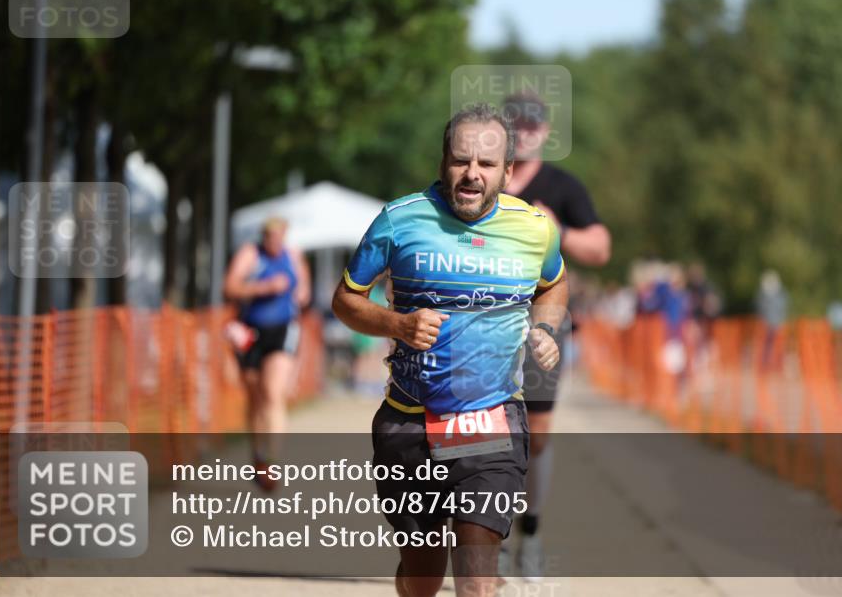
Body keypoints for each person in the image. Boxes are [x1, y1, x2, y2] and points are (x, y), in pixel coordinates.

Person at [332, 103, 568, 597]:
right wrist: (397, 322)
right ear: (442, 162)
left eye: (485, 165)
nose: (471, 174)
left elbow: (553, 285)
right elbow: (345, 300)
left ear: (508, 171)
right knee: (422, 578)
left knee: (476, 580)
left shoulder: (534, 229)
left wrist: (545, 330)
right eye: (461, 161)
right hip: (409, 422)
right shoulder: (399, 221)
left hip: (489, 419)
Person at [500, 92, 611, 580]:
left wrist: (557, 230)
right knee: (489, 432)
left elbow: (601, 248)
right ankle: (491, 532)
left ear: (545, 132)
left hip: (545, 322)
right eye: (516, 124)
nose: (524, 131)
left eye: (533, 125)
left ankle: (533, 531)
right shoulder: (484, 177)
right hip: (485, 323)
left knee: (536, 436)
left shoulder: (561, 186)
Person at [224, 216, 311, 491]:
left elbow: (304, 289)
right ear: (263, 236)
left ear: (284, 236)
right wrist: (264, 287)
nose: (274, 242)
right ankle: (258, 453)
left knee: (273, 393)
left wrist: (300, 296)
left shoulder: (294, 255)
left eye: (278, 237)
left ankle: (271, 461)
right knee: (254, 394)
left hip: (283, 329)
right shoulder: (251, 254)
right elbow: (230, 287)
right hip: (251, 331)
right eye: (269, 237)